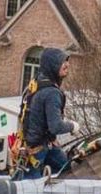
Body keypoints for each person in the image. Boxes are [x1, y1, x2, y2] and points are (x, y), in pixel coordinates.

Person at [18, 48, 76, 179]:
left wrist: (51, 137)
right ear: (52, 66)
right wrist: (73, 126)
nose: (67, 65)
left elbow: (37, 117)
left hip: (38, 144)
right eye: (62, 62)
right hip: (37, 151)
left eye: (67, 61)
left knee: (65, 168)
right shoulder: (52, 93)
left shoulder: (36, 83)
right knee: (31, 192)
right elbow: (56, 126)